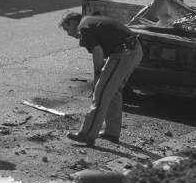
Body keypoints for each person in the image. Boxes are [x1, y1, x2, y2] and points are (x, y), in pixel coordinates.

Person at [60, 12, 142, 146]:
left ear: (74, 22)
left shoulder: (84, 27)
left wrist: (98, 75)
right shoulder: (91, 21)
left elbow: (98, 52)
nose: (68, 34)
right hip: (134, 50)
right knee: (113, 92)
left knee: (101, 93)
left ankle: (87, 134)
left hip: (123, 54)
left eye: (66, 28)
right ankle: (111, 132)